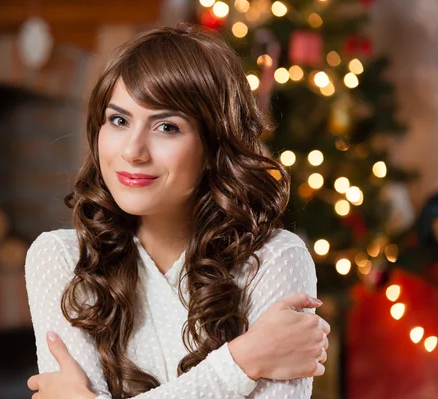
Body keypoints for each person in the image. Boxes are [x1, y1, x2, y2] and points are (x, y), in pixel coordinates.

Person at [24, 24, 330, 399]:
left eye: (166, 127)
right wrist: (242, 361)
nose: (133, 151)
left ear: (214, 146)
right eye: (119, 120)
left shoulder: (274, 259)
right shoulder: (59, 258)